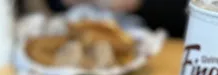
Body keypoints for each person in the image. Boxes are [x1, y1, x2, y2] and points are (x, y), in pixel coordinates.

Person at [45, 0, 189, 38]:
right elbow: (54, 4)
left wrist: (140, 3)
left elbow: (186, 14)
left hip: (159, 49)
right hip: (75, 33)